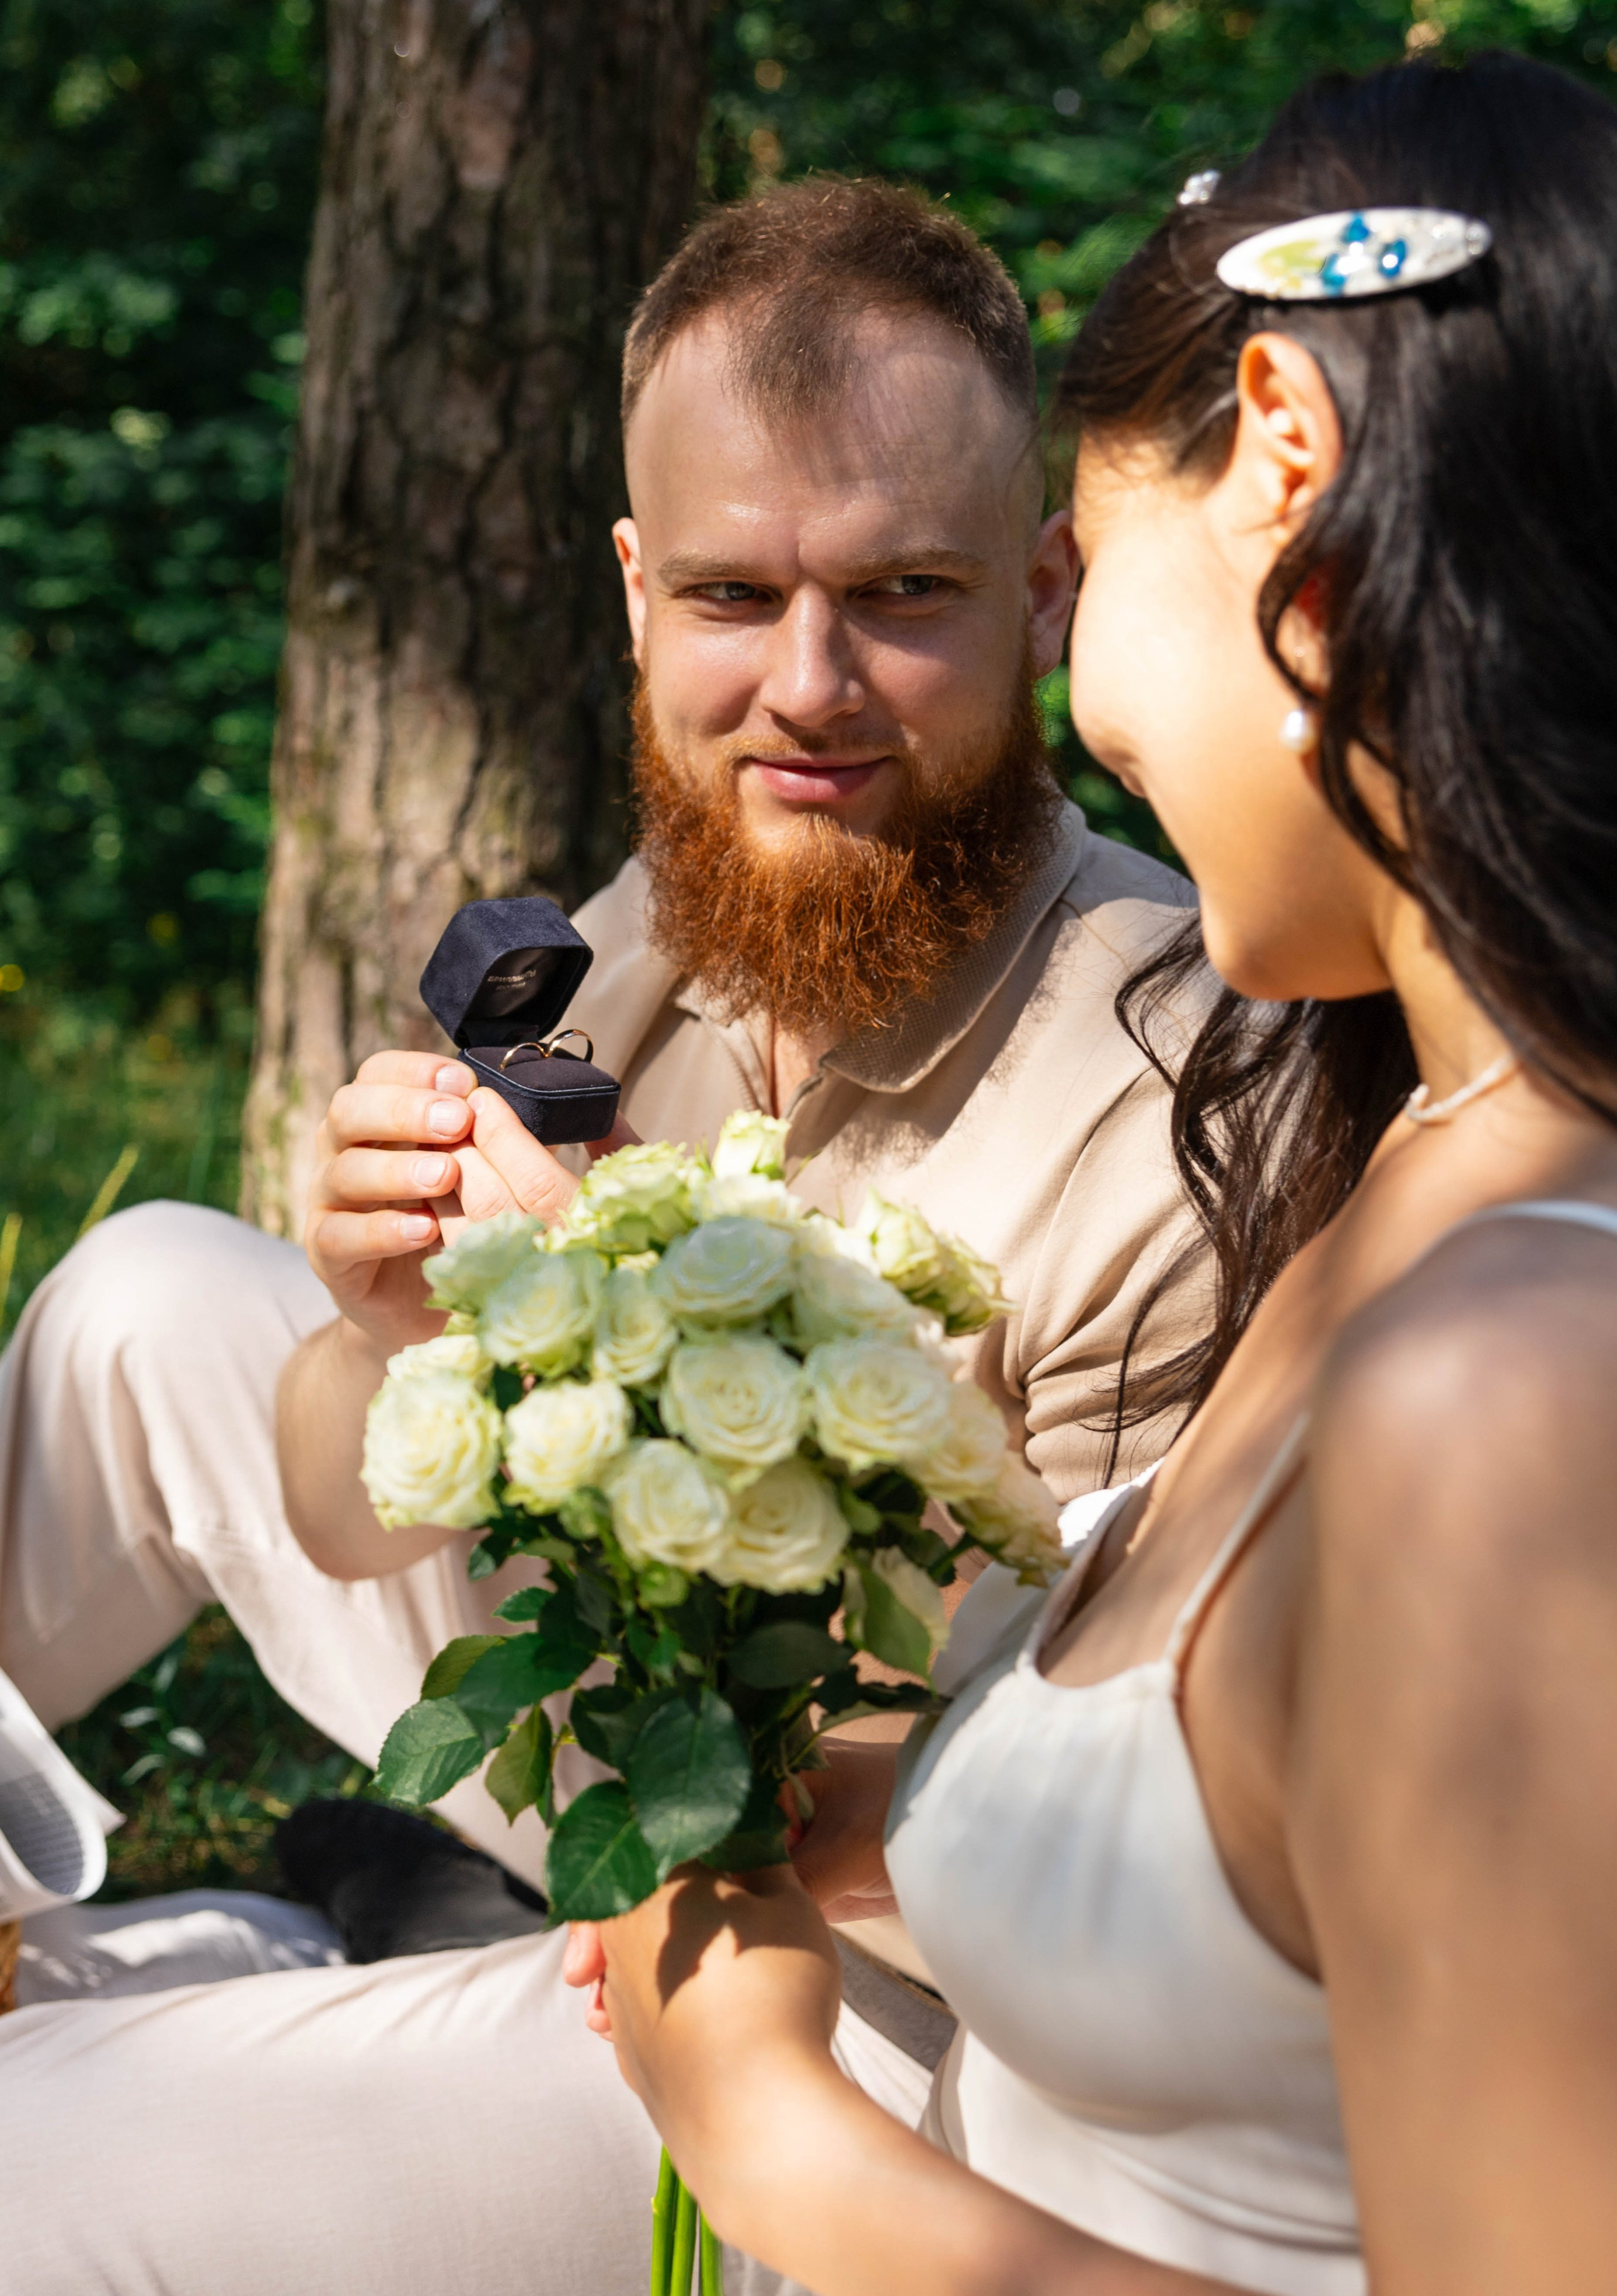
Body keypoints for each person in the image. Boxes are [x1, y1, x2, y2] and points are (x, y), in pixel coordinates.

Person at [0, 179, 1201, 2294]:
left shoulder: (1173, 1096)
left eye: (902, 594)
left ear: (1044, 593)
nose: (807, 691)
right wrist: (385, 1334)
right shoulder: (648, 935)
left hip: (876, 2003)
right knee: (141, 1294)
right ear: (638, 596)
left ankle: (177, 2015)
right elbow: (344, 1516)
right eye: (735, 596)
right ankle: (189, 1978)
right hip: (614, 1749)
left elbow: (1118, 1857)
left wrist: (631, 1341)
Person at [568, 49, 1617, 2296]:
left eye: (1087, 555)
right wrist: (880, 1822)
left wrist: (773, 2134)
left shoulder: (1520, 1387)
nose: (1090, 710)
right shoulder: (1402, 1142)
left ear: (1286, 471)